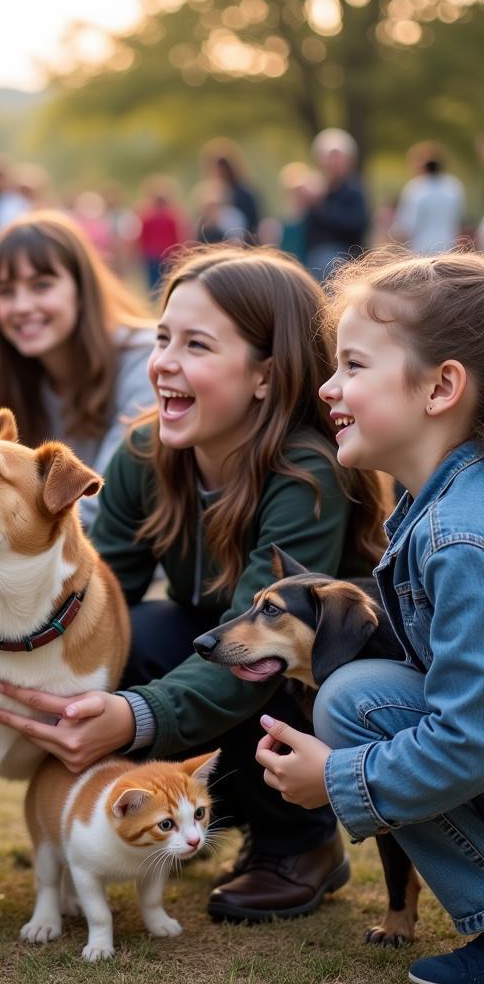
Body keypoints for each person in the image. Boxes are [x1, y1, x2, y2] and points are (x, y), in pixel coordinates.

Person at [0, 245, 389, 925]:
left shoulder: (306, 475)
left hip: (307, 673)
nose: (164, 362)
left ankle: (298, 846)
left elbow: (263, 644)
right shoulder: (145, 457)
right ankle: (165, 819)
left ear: (265, 375)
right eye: (162, 337)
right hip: (216, 640)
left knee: (252, 661)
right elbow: (91, 590)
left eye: (196, 344)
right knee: (137, 637)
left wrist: (133, 717)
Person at [254, 250, 484, 984]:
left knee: (350, 709)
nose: (328, 386)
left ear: (442, 386)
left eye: (354, 365)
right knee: (357, 695)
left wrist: (340, 778)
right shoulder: (434, 508)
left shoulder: (462, 540)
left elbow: (470, 741)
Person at [0, 210, 155, 529]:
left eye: (41, 286)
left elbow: (111, 499)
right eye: (6, 292)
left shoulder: (146, 360)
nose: (23, 306)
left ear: (82, 290)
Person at [305, 128, 369, 281]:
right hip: (315, 255)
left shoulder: (353, 190)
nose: (332, 163)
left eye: (337, 158)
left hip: (342, 256)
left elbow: (357, 224)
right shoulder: (318, 188)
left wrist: (320, 208)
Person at [391, 142, 465, 256]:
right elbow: (458, 219)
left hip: (421, 249)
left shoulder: (416, 187)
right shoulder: (453, 185)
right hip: (448, 247)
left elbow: (408, 224)